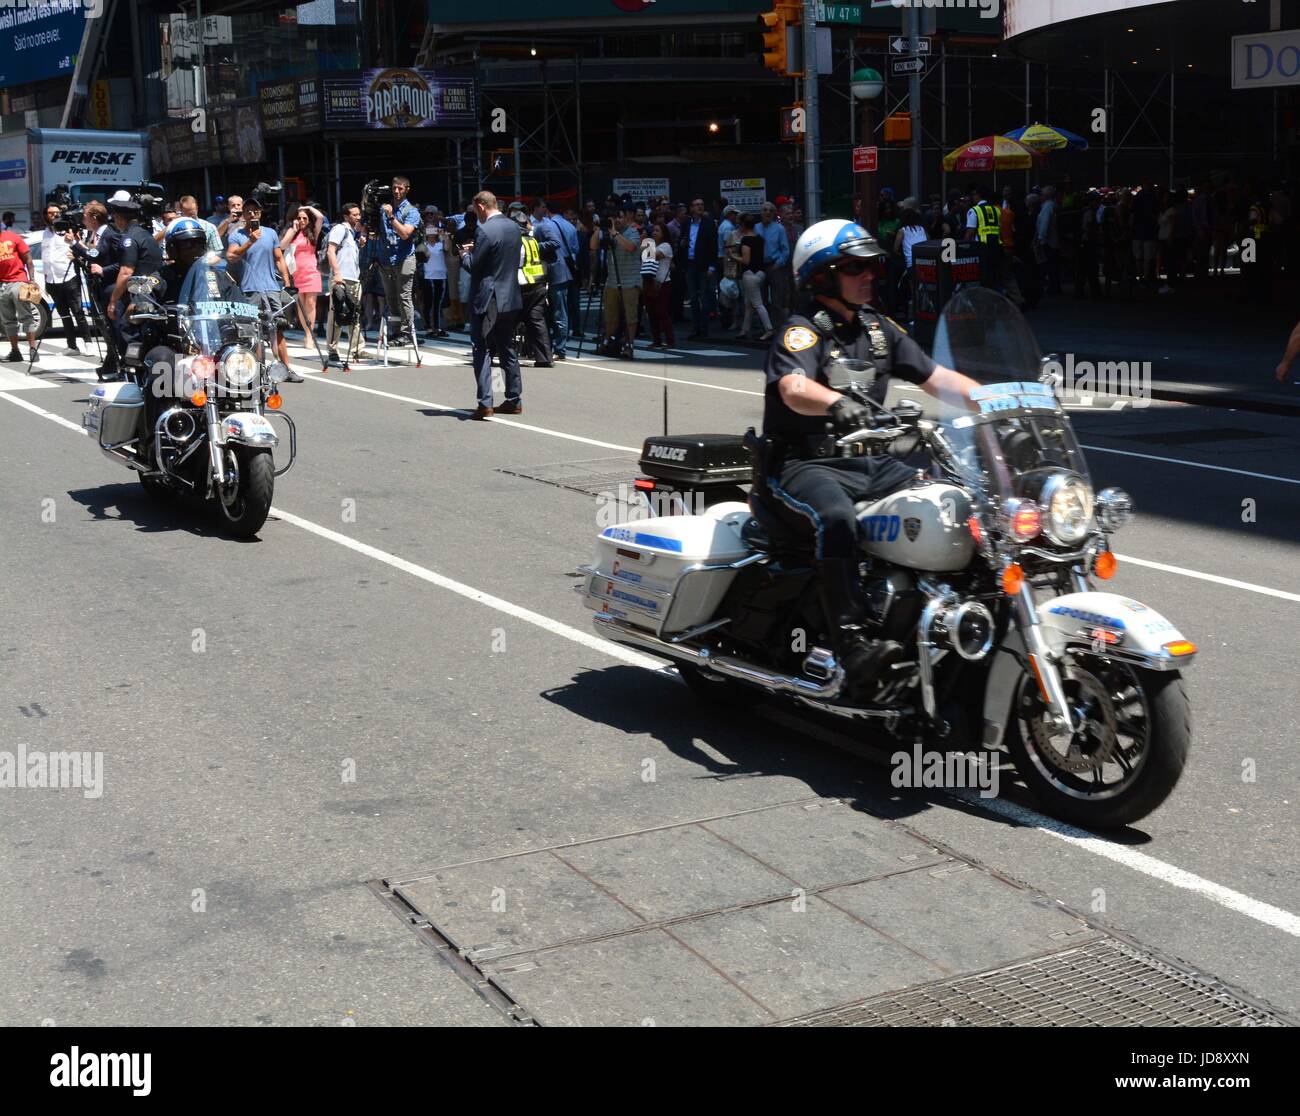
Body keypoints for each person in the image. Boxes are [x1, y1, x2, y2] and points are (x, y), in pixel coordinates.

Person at [757, 219, 980, 696]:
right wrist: (836, 402)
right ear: (821, 276)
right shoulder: (801, 332)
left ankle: (945, 616)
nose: (868, 275)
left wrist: (1006, 401)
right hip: (802, 465)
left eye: (872, 266)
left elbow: (939, 378)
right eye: (853, 267)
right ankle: (852, 645)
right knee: (836, 518)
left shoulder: (879, 330)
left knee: (951, 498)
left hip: (871, 466)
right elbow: (794, 388)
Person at [226, 197, 301, 379]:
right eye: (248, 211)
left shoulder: (270, 233)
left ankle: (286, 369)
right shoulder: (236, 235)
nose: (252, 214)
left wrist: (287, 282)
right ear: (243, 215)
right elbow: (230, 257)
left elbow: (279, 258)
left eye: (256, 211)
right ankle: (257, 371)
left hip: (271, 288)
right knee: (254, 330)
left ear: (260, 213)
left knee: (278, 328)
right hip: (250, 289)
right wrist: (249, 242)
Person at [465, 191, 523, 419]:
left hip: (488, 297)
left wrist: (464, 254)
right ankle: (513, 398)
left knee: (482, 348)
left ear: (480, 206)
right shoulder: (512, 226)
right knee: (506, 347)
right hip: (510, 294)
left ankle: (485, 402)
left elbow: (475, 265)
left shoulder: (484, 230)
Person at [100, 190, 163, 378]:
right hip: (153, 291)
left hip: (137, 293)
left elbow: (126, 272)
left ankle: (133, 374)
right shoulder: (146, 235)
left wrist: (113, 300)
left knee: (127, 333)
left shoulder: (129, 238)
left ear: (119, 217)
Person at [591, 204, 642, 359]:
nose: (617, 220)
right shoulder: (606, 232)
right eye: (614, 218)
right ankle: (609, 341)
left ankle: (630, 345)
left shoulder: (632, 232)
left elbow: (631, 247)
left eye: (620, 217)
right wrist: (599, 229)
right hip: (612, 280)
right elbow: (593, 246)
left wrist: (614, 233)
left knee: (630, 316)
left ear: (625, 217)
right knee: (610, 315)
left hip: (630, 281)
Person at [41, 201, 90, 353]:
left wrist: (75, 249)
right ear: (46, 216)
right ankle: (72, 345)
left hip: (68, 275)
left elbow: (82, 247)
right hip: (52, 279)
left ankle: (88, 343)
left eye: (56, 212)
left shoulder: (67, 230)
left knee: (77, 311)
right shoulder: (45, 232)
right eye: (50, 213)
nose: (54, 215)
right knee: (63, 314)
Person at [531, 197, 576, 360]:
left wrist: (533, 246)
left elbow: (555, 242)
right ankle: (554, 346)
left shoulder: (545, 225)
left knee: (558, 312)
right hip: (552, 272)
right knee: (554, 312)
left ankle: (560, 348)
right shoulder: (550, 224)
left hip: (555, 273)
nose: (544, 209)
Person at [509, 201, 552, 367]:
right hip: (538, 284)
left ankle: (493, 353)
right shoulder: (532, 240)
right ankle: (544, 358)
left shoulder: (516, 241)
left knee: (506, 320)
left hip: (521, 284)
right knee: (536, 321)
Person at [378, 176, 420, 346]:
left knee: (404, 296)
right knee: (391, 297)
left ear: (407, 189)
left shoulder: (411, 211)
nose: (396, 191)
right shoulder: (384, 208)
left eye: (400, 188)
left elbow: (405, 234)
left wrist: (390, 217)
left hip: (404, 258)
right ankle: (395, 332)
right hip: (386, 258)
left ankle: (406, 332)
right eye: (394, 188)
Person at [326, 202, 369, 365]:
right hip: (341, 279)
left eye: (359, 214)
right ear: (346, 216)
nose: (358, 217)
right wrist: (337, 273)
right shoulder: (340, 229)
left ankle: (357, 349)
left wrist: (360, 245)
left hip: (354, 279)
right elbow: (331, 251)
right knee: (337, 313)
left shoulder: (352, 234)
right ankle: (332, 349)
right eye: (354, 215)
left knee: (355, 314)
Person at [281, 205, 324, 338]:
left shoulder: (313, 232)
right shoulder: (292, 232)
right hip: (297, 272)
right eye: (299, 218)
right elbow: (282, 245)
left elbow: (320, 217)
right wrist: (294, 230)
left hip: (312, 271)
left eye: (304, 218)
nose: (302, 220)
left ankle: (309, 335)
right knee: (301, 303)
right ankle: (306, 331)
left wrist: (308, 207)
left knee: (311, 303)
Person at [0, 220, 38, 363]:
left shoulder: (13, 237)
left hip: (19, 282)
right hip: (1, 285)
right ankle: (15, 351)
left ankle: (33, 349)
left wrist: (32, 280)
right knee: (8, 321)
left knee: (26, 316)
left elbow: (28, 259)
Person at [682, 198, 718, 339]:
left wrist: (712, 266)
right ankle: (695, 328)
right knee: (693, 297)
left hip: (704, 265)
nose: (700, 207)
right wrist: (682, 243)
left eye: (702, 205)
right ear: (691, 208)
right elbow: (683, 241)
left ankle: (704, 329)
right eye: (696, 205)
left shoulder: (709, 224)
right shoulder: (687, 223)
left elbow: (714, 246)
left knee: (705, 297)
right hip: (690, 263)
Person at [736, 212, 773, 342]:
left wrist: (732, 256)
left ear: (744, 226)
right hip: (761, 273)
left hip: (749, 274)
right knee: (749, 304)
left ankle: (769, 329)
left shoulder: (745, 240)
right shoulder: (760, 238)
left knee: (757, 304)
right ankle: (744, 330)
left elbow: (746, 260)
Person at [759, 201, 791, 327]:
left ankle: (780, 329)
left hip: (775, 266)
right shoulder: (756, 228)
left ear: (773, 214)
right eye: (765, 210)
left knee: (777, 300)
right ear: (761, 212)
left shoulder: (779, 229)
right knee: (761, 300)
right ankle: (767, 329)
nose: (767, 212)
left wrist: (779, 263)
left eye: (770, 211)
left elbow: (785, 250)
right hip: (760, 267)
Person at [644, 222, 675, 350]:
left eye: (657, 230)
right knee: (651, 312)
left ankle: (670, 341)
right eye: (653, 230)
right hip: (650, 282)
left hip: (663, 283)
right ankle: (656, 340)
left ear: (663, 233)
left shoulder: (666, 246)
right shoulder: (652, 245)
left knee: (662, 312)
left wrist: (646, 243)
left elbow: (653, 256)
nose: (654, 232)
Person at [420, 206, 449, 338]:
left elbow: (448, 248)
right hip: (428, 276)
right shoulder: (423, 245)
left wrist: (444, 237)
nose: (431, 232)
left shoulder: (440, 244)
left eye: (434, 229)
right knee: (429, 302)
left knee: (438, 303)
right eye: (429, 229)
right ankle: (428, 327)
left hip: (441, 275)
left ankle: (437, 326)